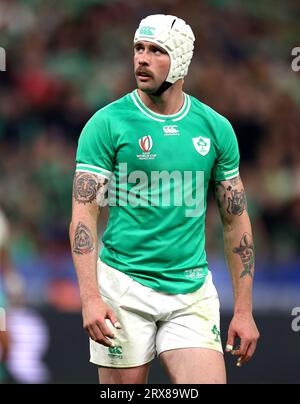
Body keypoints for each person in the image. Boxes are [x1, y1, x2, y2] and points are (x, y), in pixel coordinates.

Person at [70, 14, 260, 384]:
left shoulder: (215, 128)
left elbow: (236, 220)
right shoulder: (106, 124)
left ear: (181, 60)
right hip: (123, 288)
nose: (142, 58)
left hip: (191, 291)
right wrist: (91, 297)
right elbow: (83, 217)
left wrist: (244, 309)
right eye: (139, 48)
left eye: (156, 51)